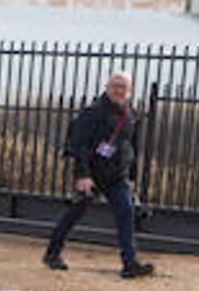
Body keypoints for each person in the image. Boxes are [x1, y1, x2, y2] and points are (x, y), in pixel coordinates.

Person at [43, 71, 153, 278]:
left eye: (123, 86)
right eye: (115, 85)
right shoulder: (92, 113)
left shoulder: (131, 116)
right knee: (74, 213)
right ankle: (52, 253)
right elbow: (77, 144)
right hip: (91, 174)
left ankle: (130, 263)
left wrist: (130, 177)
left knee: (126, 212)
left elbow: (131, 147)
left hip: (116, 176)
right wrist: (83, 174)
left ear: (130, 91)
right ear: (107, 87)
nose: (119, 90)